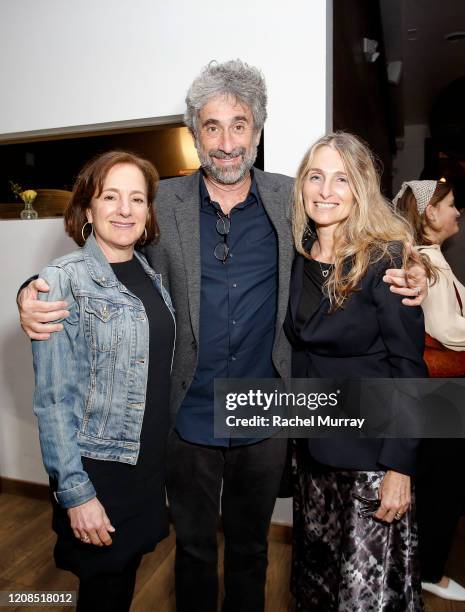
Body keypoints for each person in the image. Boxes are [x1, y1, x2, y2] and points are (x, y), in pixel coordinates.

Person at [17, 61, 428, 612]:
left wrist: (415, 266)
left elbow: (363, 236)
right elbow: (106, 255)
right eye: (213, 127)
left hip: (266, 413)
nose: (228, 141)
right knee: (192, 550)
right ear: (195, 136)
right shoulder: (160, 203)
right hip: (187, 416)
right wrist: (31, 290)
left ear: (257, 132)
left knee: (251, 549)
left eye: (240, 125)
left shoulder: (296, 199)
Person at [284, 132, 427, 611]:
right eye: (316, 176)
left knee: (364, 596)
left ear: (360, 188)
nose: (326, 189)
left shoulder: (386, 260)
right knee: (319, 585)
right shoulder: (297, 258)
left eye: (341, 178)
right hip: (312, 454)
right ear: (302, 186)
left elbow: (409, 368)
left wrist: (400, 467)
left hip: (370, 459)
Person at [31, 151, 175, 612]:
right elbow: (52, 402)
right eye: (110, 196)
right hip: (100, 474)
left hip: (145, 467)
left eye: (137, 198)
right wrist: (77, 495)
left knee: (122, 583)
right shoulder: (62, 280)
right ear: (87, 208)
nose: (125, 209)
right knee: (104, 593)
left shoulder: (149, 273)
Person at [394, 180, 465, 602]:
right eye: (452, 205)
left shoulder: (432, 259)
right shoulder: (424, 261)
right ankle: (429, 573)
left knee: (442, 483)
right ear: (431, 213)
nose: (458, 212)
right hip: (440, 394)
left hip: (442, 395)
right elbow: (445, 330)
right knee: (442, 486)